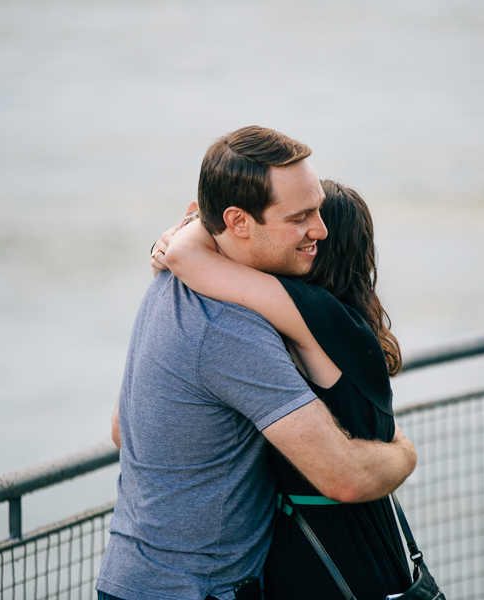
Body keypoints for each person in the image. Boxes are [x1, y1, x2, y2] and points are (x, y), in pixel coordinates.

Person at [97, 126, 417, 600]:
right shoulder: (230, 327)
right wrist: (404, 452)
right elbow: (344, 476)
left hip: (131, 576)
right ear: (239, 221)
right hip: (198, 590)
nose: (319, 229)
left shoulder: (168, 286)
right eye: (300, 216)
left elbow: (123, 431)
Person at [159, 180, 427, 599]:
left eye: (310, 221)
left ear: (322, 245)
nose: (304, 229)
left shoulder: (314, 314)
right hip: (370, 551)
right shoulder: (351, 328)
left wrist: (194, 222)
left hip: (331, 566)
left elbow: (184, 257)